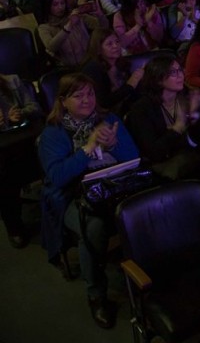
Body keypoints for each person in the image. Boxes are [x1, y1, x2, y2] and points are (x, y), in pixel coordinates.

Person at [38, 74, 139, 328]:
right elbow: (58, 177)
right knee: (93, 227)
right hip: (73, 195)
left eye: (90, 94)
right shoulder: (53, 133)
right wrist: (88, 148)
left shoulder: (110, 119)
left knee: (144, 207)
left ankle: (148, 273)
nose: (87, 100)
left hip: (112, 186)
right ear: (63, 101)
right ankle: (96, 295)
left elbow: (133, 157)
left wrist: (114, 144)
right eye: (78, 95)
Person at [126, 54, 200, 179]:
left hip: (191, 155)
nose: (180, 75)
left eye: (180, 70)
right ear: (158, 79)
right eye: (173, 72)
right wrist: (177, 128)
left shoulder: (187, 97)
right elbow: (153, 153)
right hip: (164, 164)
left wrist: (194, 115)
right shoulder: (141, 109)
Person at [0, 73, 44, 248]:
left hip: (23, 140)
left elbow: (35, 107)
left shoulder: (12, 81)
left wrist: (19, 113)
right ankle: (14, 226)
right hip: (3, 152)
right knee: (3, 174)